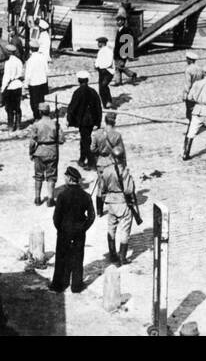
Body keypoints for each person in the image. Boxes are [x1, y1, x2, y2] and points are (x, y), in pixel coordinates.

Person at [50, 166, 94, 294]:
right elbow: (92, 216)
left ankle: (58, 285)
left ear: (69, 179)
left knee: (61, 258)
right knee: (78, 258)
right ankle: (76, 286)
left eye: (65, 176)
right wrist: (83, 228)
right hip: (79, 231)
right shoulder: (86, 196)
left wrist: (61, 228)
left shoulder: (62, 195)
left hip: (64, 231)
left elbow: (56, 217)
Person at [94, 151, 138, 265]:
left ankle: (112, 254)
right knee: (125, 230)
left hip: (111, 203)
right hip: (123, 202)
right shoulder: (124, 172)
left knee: (111, 228)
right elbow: (129, 190)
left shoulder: (106, 171)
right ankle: (122, 257)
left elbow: (102, 188)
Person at [65, 70, 104, 167]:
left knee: (85, 140)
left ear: (79, 80)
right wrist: (98, 121)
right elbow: (98, 107)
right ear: (87, 80)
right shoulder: (93, 91)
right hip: (91, 120)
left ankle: (91, 161)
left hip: (83, 121)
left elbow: (72, 107)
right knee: (85, 139)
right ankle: (82, 158)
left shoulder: (77, 92)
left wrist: (69, 119)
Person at [29, 103, 64, 206]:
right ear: (49, 112)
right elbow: (61, 140)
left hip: (39, 152)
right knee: (51, 176)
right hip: (52, 151)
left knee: (38, 175)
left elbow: (32, 142)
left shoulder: (36, 125)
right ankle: (50, 199)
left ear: (40, 112)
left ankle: (37, 198)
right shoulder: (55, 124)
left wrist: (31, 152)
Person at [0, 44, 25, 131]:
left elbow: (6, 77)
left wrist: (2, 89)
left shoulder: (8, 63)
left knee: (9, 107)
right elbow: (21, 73)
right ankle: (18, 125)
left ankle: (10, 125)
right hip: (18, 85)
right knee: (17, 106)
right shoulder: (19, 61)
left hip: (10, 86)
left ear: (8, 53)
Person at [25, 46, 50, 118]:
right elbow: (47, 71)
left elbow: (28, 74)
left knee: (34, 102)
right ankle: (42, 115)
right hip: (43, 82)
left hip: (34, 83)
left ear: (30, 50)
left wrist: (26, 84)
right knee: (41, 100)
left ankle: (36, 117)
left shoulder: (30, 60)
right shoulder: (43, 58)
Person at [113, 17, 138, 84]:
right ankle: (118, 81)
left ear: (123, 21)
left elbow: (129, 42)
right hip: (118, 52)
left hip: (123, 52)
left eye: (119, 21)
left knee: (120, 66)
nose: (118, 22)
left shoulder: (126, 30)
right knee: (118, 67)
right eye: (117, 21)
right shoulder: (119, 30)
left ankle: (132, 74)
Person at [94, 36, 115, 107]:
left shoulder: (108, 51)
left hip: (108, 71)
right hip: (101, 71)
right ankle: (105, 104)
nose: (98, 44)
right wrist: (96, 66)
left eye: (99, 42)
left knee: (104, 86)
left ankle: (109, 101)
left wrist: (101, 67)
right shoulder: (100, 51)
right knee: (101, 88)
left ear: (103, 43)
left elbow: (109, 62)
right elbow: (98, 60)